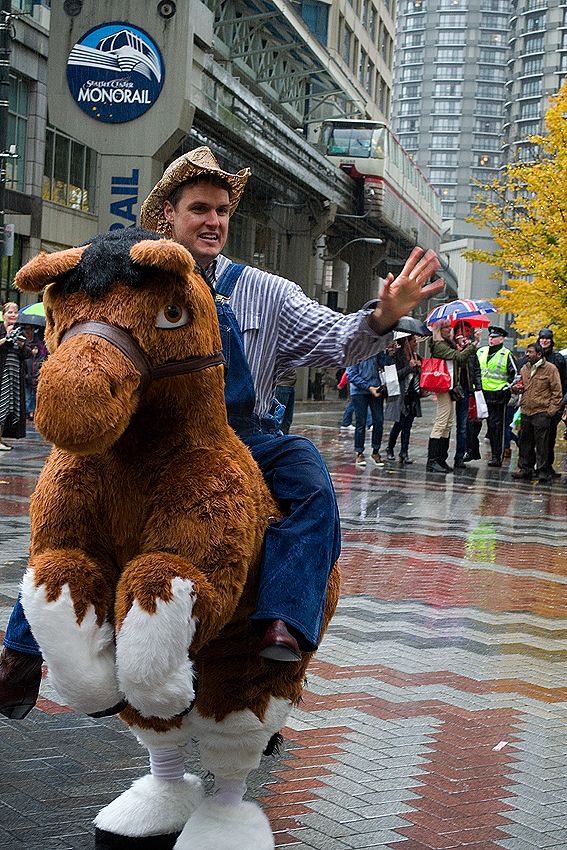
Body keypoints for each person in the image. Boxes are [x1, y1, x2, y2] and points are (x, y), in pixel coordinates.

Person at [0, 146, 442, 718]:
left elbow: (338, 341)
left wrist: (383, 317)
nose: (214, 221)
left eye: (223, 210)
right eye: (199, 209)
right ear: (166, 214)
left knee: (309, 475)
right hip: (136, 441)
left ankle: (285, 617)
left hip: (238, 434)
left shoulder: (264, 291)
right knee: (63, 504)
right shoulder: (127, 278)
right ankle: (19, 654)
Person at [425, 318, 481, 473]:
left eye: (450, 327)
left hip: (451, 386)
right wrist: (473, 344)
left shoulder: (448, 344)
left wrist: (462, 347)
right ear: (439, 330)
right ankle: (433, 460)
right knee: (442, 422)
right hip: (443, 386)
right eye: (446, 328)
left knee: (448, 423)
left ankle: (441, 459)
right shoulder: (439, 345)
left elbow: (460, 362)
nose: (450, 330)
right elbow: (460, 358)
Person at [511, 342, 562, 483]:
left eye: (530, 352)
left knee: (542, 443)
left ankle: (542, 470)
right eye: (527, 352)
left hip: (542, 411)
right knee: (525, 442)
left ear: (539, 355)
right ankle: (525, 469)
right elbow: (521, 385)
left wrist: (551, 411)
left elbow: (557, 392)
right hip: (526, 410)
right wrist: (516, 388)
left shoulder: (550, 369)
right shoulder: (525, 369)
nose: (527, 354)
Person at [474, 326, 518, 467]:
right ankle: (471, 451)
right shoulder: (481, 351)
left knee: (495, 428)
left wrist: (506, 388)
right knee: (473, 424)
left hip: (498, 396)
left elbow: (515, 375)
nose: (491, 339)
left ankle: (496, 456)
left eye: (495, 337)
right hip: (481, 394)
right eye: (490, 337)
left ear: (501, 339)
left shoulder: (506, 354)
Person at [385, 334, 422, 464]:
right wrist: (409, 367)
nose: (415, 343)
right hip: (401, 395)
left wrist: (418, 366)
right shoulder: (396, 356)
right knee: (399, 424)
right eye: (413, 341)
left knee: (408, 425)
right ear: (406, 342)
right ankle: (390, 448)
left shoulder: (415, 355)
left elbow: (419, 374)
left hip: (412, 395)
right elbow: (395, 375)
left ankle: (404, 452)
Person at [346, 352, 386, 466]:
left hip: (377, 389)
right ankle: (359, 453)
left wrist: (388, 354)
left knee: (379, 421)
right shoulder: (354, 351)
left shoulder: (377, 350)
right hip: (359, 392)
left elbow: (384, 365)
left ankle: (376, 451)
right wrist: (368, 387)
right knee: (360, 422)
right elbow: (351, 374)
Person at [0, 302, 30, 450]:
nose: (13, 315)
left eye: (15, 313)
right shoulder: (0, 329)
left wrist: (21, 344)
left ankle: (1, 439)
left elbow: (28, 353)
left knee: (11, 406)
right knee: (2, 405)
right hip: (2, 372)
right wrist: (7, 337)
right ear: (3, 314)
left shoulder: (20, 332)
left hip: (15, 374)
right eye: (10, 312)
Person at [452, 321, 482, 468]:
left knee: (463, 426)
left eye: (469, 331)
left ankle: (459, 456)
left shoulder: (471, 349)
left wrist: (478, 388)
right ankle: (440, 456)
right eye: (464, 331)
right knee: (445, 424)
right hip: (451, 390)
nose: (467, 334)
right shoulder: (451, 346)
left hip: (465, 390)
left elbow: (476, 369)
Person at [274, 368, 296, 435]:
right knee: (280, 419)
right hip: (282, 385)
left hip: (290, 385)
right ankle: (278, 439)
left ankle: (284, 438)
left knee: (287, 420)